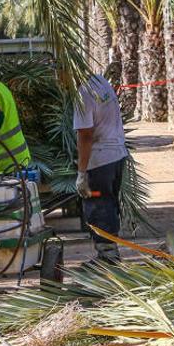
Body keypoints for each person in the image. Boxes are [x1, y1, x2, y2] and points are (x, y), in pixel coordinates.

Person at [73, 72, 129, 264]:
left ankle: (107, 257)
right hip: (117, 155)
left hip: (100, 159)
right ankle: (109, 253)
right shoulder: (100, 81)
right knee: (109, 203)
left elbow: (85, 135)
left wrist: (82, 173)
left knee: (98, 206)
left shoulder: (83, 94)